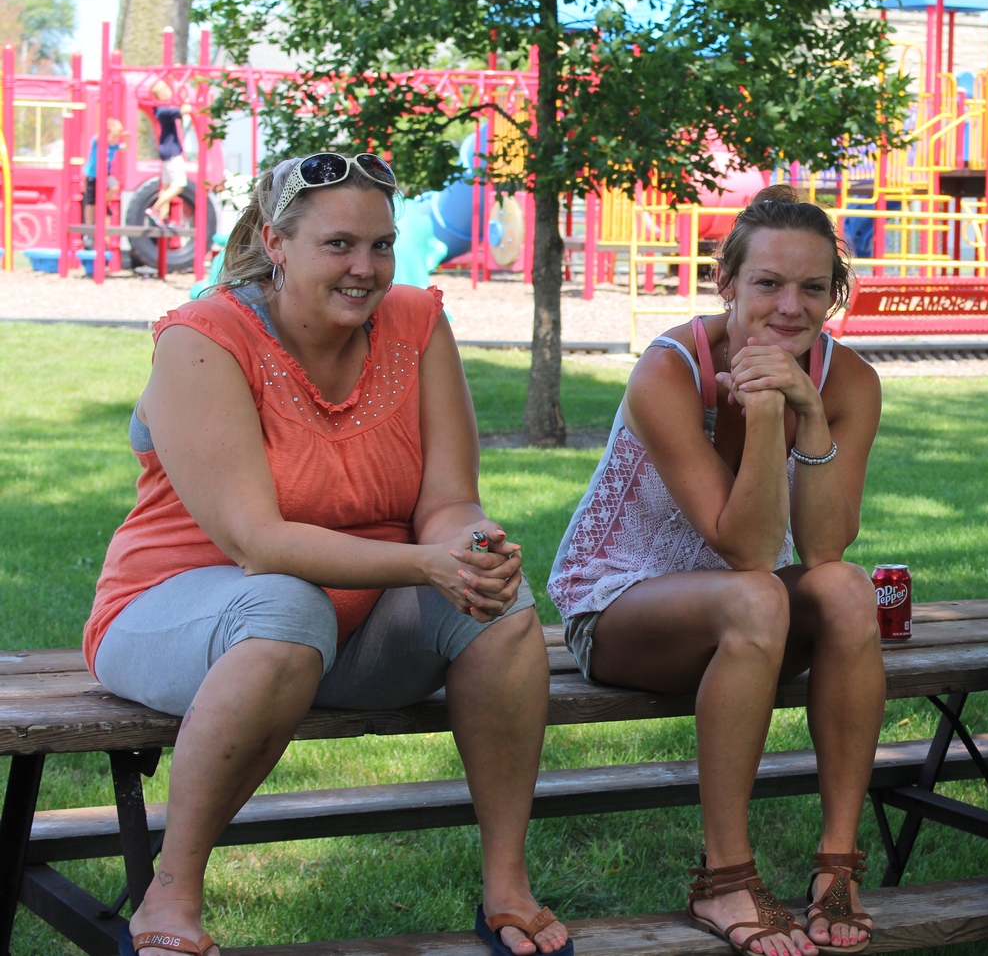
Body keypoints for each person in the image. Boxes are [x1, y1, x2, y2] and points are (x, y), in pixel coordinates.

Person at [86, 152, 572, 956]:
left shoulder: (417, 322)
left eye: (381, 245)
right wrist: (425, 564)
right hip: (176, 612)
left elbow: (448, 498)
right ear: (275, 242)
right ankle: (169, 895)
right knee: (287, 601)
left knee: (501, 603)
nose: (366, 268)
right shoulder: (203, 338)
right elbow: (257, 541)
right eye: (339, 244)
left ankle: (507, 885)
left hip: (346, 631)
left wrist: (470, 545)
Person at [548, 184, 884, 956]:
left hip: (749, 610)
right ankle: (724, 877)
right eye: (768, 283)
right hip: (621, 608)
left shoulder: (849, 381)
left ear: (835, 294)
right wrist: (766, 411)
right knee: (757, 596)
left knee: (846, 589)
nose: (790, 306)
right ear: (726, 281)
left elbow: (823, 549)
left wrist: (809, 412)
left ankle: (838, 862)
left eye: (813, 287)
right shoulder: (667, 373)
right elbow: (749, 550)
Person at [146, 80, 192, 228]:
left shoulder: (160, 110)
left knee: (166, 186)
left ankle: (162, 217)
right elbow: (186, 110)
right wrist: (186, 97)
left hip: (167, 151)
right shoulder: (164, 111)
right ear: (161, 94)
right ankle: (155, 209)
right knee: (179, 184)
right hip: (172, 152)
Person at [83, 118, 126, 224]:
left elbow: (125, 147)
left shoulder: (113, 146)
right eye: (114, 137)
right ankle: (89, 224)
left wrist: (128, 138)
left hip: (105, 175)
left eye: (117, 137)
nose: (115, 140)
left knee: (114, 186)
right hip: (93, 175)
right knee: (91, 201)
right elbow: (99, 136)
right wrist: (105, 127)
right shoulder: (98, 142)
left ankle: (104, 201)